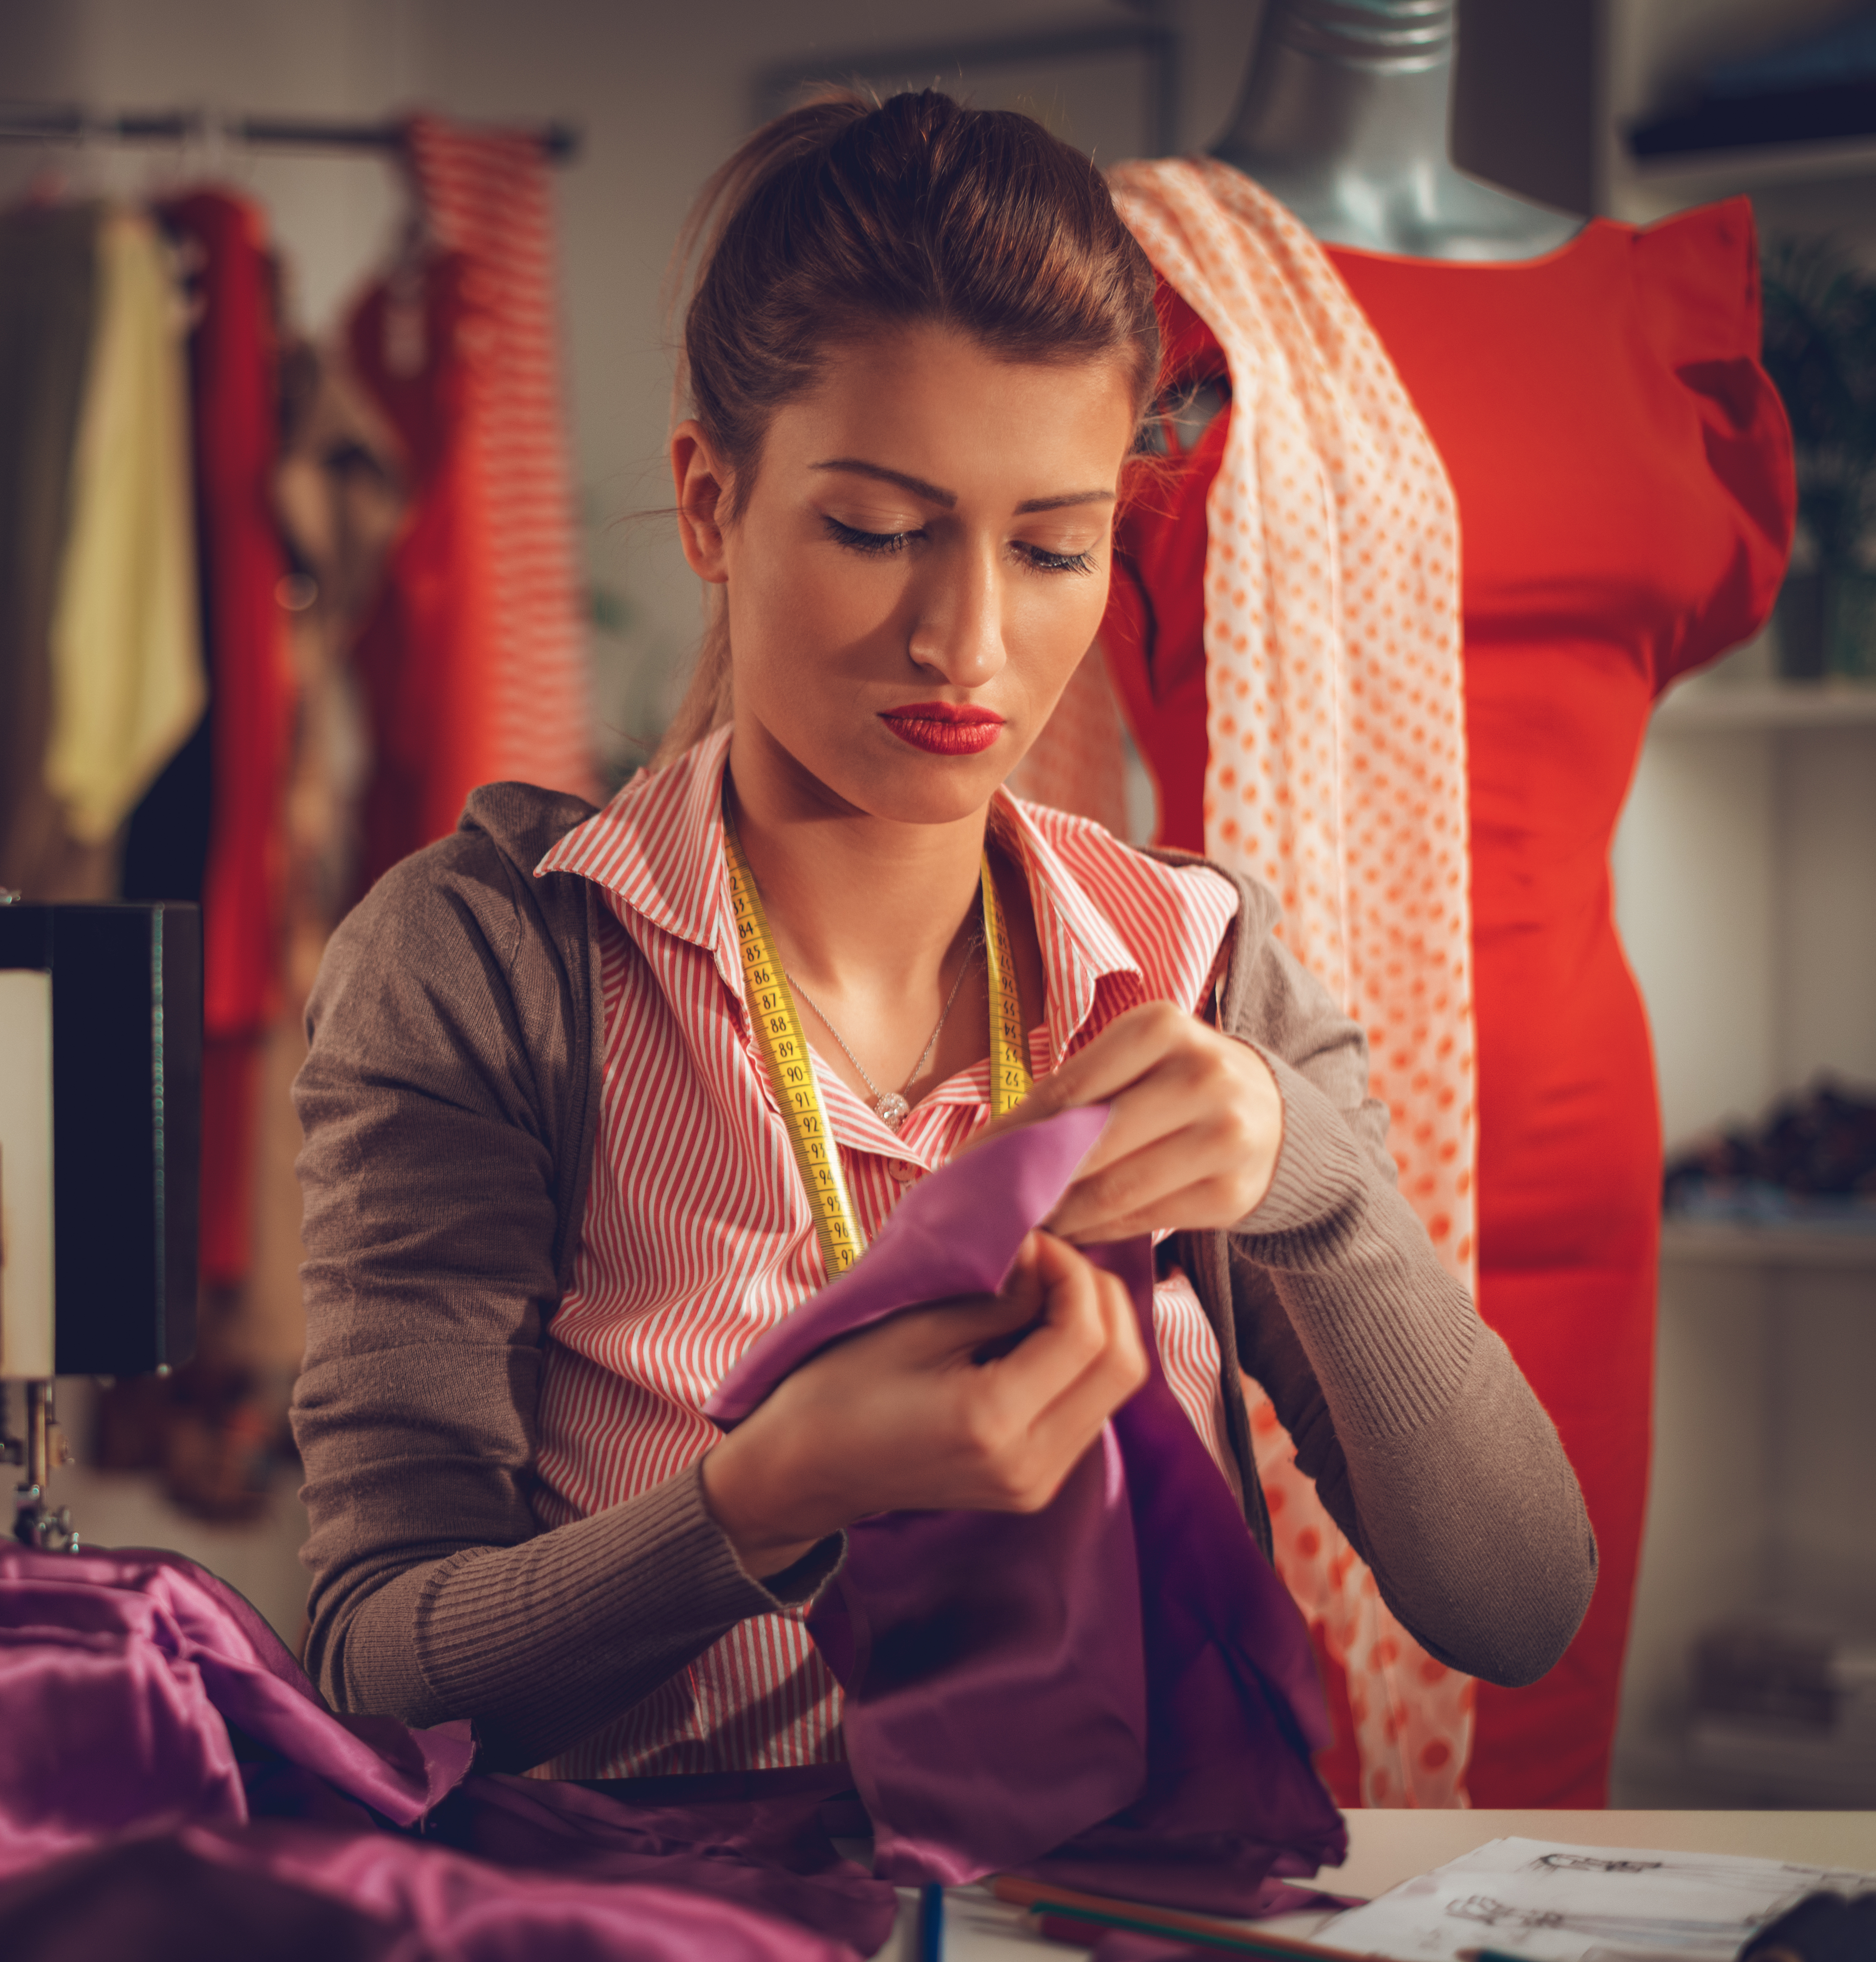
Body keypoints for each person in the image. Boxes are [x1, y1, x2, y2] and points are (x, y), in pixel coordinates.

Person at [289, 90, 1595, 1783]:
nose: (965, 640)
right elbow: (377, 1662)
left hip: (1119, 1906)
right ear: (708, 504)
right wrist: (765, 1500)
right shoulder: (496, 967)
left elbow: (1520, 1605)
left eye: (1055, 548)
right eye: (879, 532)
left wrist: (1315, 1179)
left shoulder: (1195, 969)